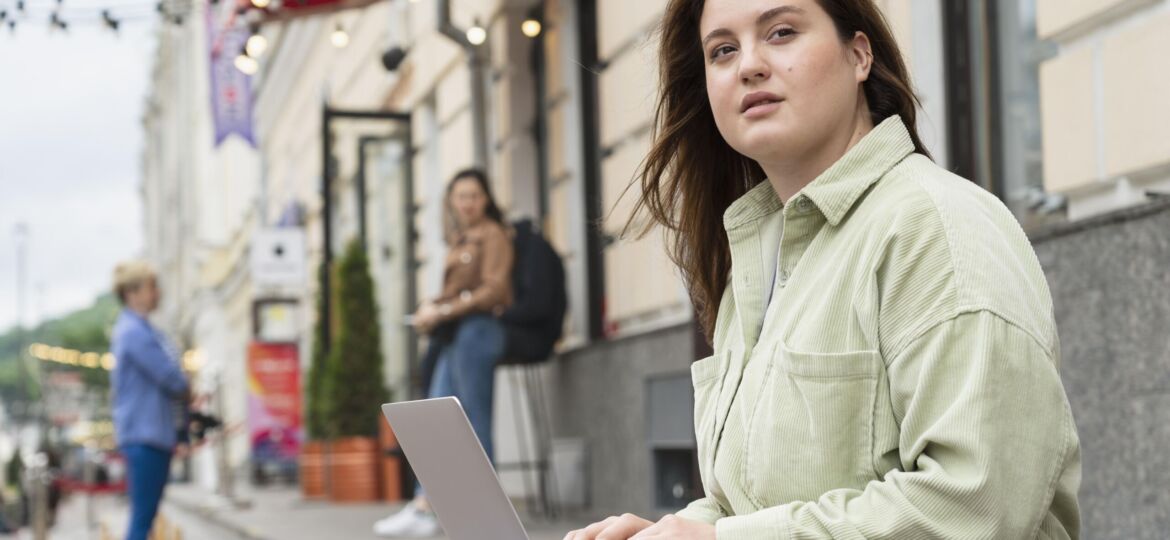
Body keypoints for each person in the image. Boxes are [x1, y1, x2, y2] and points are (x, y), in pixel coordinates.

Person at [565, 1, 1081, 539]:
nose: (749, 65)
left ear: (859, 55)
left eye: (781, 33)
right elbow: (753, 501)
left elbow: (978, 506)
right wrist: (670, 530)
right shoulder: (760, 257)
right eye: (722, 50)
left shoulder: (938, 227)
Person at [375, 168, 515, 538]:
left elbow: (496, 290)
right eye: (461, 196)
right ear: (452, 201)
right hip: (455, 335)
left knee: (474, 422)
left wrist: (445, 310)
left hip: (479, 332)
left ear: (485, 199)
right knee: (435, 417)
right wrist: (430, 305)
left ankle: (486, 517)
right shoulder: (459, 239)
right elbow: (455, 293)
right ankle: (426, 506)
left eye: (474, 195)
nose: (467, 203)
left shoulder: (494, 235)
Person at [110, 261, 190, 540]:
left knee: (145, 518)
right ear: (132, 293)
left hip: (150, 434)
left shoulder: (140, 330)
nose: (158, 293)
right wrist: (186, 381)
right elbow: (172, 378)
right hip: (146, 435)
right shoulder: (134, 333)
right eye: (151, 287)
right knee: (142, 520)